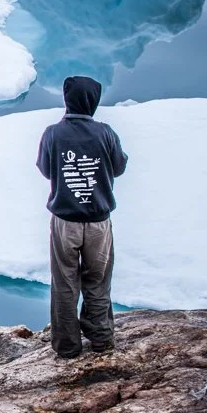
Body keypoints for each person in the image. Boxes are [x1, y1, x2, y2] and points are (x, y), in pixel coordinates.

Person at [36, 76, 128, 360]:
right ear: (93, 101)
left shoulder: (53, 133)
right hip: (99, 221)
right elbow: (119, 167)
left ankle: (67, 346)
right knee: (98, 280)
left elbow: (46, 168)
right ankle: (100, 338)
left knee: (64, 283)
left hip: (65, 221)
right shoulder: (105, 133)